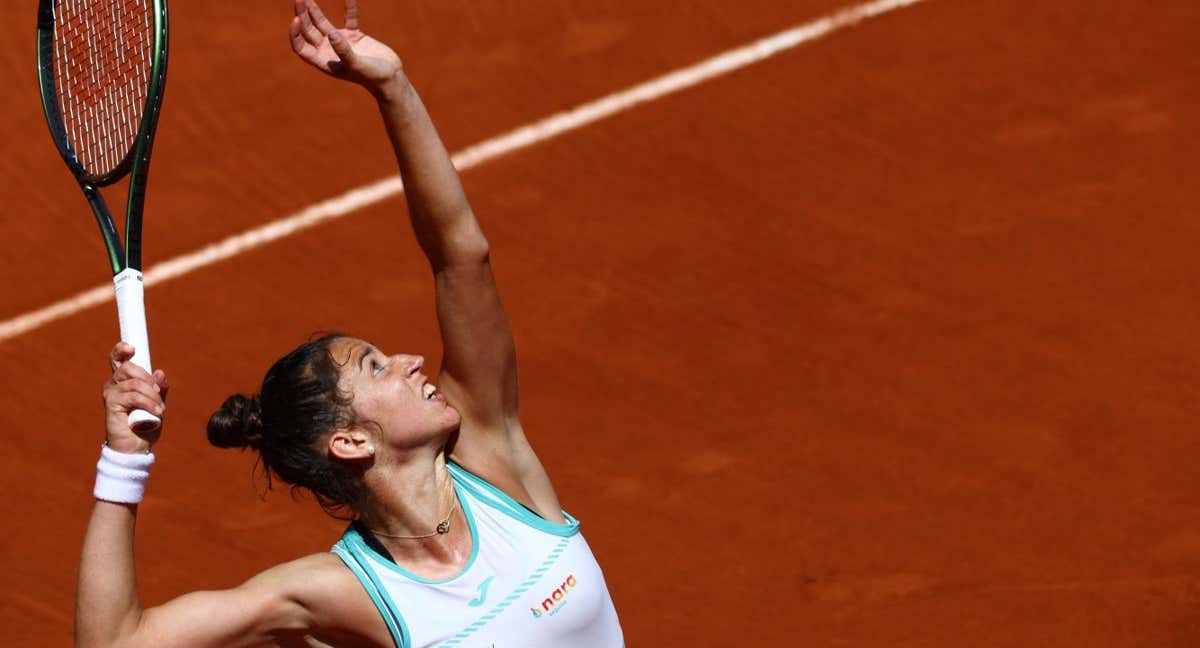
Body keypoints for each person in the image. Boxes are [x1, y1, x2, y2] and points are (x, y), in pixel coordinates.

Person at [76, 1, 624, 646]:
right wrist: (124, 462)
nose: (411, 361)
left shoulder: (493, 457)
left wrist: (392, 87)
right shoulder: (338, 593)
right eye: (375, 365)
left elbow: (459, 256)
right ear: (350, 442)